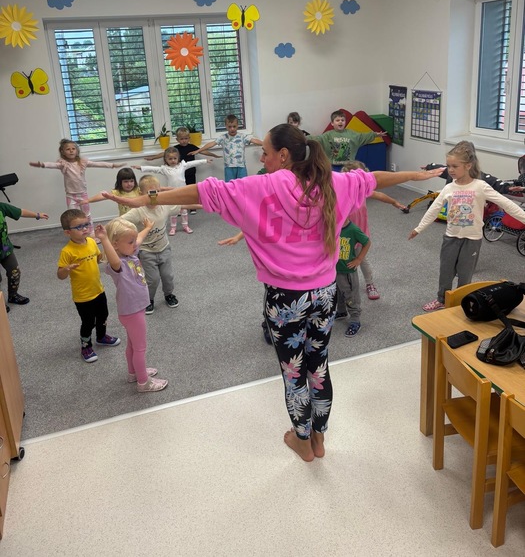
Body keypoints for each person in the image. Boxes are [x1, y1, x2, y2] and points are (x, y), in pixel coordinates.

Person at [104, 123, 443, 462]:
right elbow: (374, 179)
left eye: (265, 153)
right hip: (325, 294)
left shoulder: (258, 187)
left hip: (285, 299)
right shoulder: (332, 182)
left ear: (282, 155)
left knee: (294, 373)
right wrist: (417, 175)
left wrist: (145, 199)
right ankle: (319, 438)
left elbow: (201, 193)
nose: (262, 159)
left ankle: (302, 441)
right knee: (319, 367)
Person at [409, 141, 525, 312]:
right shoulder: (449, 188)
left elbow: (506, 204)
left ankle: (462, 301)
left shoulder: (481, 186)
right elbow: (434, 209)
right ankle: (442, 299)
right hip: (451, 237)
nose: (450, 170)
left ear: (468, 165)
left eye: (455, 166)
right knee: (446, 271)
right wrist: (419, 228)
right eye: (448, 166)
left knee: (465, 274)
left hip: (472, 240)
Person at [95, 218, 168, 393]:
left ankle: (133, 373)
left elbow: (138, 238)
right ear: (115, 244)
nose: (135, 244)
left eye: (134, 241)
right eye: (130, 242)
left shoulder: (131, 254)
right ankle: (144, 382)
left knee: (132, 345)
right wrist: (103, 239)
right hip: (132, 312)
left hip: (134, 310)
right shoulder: (118, 265)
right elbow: (113, 259)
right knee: (140, 348)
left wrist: (148, 227)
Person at [117, 175, 199, 314]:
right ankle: (149, 299)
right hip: (146, 251)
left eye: (157, 192)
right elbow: (118, 221)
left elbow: (184, 205)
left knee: (168, 276)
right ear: (141, 194)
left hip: (164, 248)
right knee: (153, 279)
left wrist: (204, 205)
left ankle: (169, 295)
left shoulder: (164, 206)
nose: (154, 197)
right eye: (150, 194)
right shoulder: (138, 211)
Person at [57, 209, 121, 363]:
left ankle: (101, 337)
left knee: (103, 315)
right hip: (83, 296)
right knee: (88, 322)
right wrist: (66, 269)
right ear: (67, 232)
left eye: (86, 225)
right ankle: (86, 346)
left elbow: (98, 258)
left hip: (98, 289)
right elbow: (60, 275)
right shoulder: (67, 251)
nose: (85, 229)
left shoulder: (92, 242)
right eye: (79, 227)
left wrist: (111, 250)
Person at [342, 160, 406, 300]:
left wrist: (394, 202)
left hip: (359, 235)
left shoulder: (363, 191)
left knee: (362, 260)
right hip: (343, 235)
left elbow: (380, 196)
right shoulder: (341, 193)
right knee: (341, 261)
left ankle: (370, 284)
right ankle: (341, 285)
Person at [30, 139, 124, 234]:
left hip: (83, 195)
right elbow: (52, 165)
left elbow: (97, 164)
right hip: (71, 196)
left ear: (77, 150)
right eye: (68, 149)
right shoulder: (63, 164)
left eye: (73, 149)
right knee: (73, 217)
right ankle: (77, 233)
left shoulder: (82, 162)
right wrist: (42, 164)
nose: (71, 151)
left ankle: (91, 233)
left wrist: (112, 165)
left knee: (87, 215)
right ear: (62, 152)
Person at [133, 147, 211, 235]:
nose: (173, 160)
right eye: (170, 159)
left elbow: (193, 163)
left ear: (178, 158)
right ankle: (173, 227)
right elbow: (153, 169)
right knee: (173, 211)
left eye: (175, 158)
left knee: (184, 210)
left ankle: (185, 226)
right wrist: (141, 167)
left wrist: (205, 160)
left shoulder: (182, 166)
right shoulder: (164, 169)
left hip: (183, 192)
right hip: (172, 193)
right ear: (166, 159)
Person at [0, 202, 49, 312]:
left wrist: (37, 215)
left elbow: (20, 212)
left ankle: (13, 295)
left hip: (5, 249)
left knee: (14, 272)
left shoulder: (1, 207)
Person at [190, 114, 263, 182]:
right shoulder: (223, 137)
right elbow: (212, 144)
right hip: (229, 167)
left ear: (237, 126)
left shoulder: (243, 136)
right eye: (229, 127)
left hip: (241, 167)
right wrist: (198, 150)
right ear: (226, 126)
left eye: (234, 126)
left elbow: (254, 140)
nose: (232, 129)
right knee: (229, 186)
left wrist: (265, 144)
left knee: (243, 185)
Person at [310, 109, 386, 171]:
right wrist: (305, 138)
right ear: (332, 123)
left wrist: (375, 134)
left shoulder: (351, 134)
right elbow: (317, 139)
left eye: (342, 120)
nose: (340, 122)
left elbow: (362, 137)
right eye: (337, 120)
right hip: (333, 166)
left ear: (345, 122)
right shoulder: (328, 135)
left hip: (348, 166)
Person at [335, 216, 371, 337]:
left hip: (347, 270)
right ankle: (341, 311)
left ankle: (355, 319)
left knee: (350, 295)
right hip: (334, 269)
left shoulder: (353, 229)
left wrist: (359, 259)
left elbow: (367, 242)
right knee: (338, 293)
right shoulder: (333, 227)